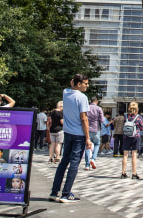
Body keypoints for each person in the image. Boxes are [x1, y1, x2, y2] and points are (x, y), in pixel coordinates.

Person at [49, 74, 92, 203]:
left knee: (63, 162)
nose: (87, 85)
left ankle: (54, 191)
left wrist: (73, 81)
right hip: (79, 134)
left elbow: (71, 83)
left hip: (67, 132)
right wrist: (88, 138)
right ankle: (66, 193)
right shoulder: (82, 97)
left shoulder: (66, 93)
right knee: (74, 163)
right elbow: (84, 118)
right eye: (85, 83)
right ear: (79, 84)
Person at [121, 102, 143, 179]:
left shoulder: (125, 116)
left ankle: (123, 173)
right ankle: (134, 173)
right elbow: (141, 127)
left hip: (126, 136)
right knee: (134, 155)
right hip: (135, 136)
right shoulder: (138, 117)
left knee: (125, 155)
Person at [84, 96, 103, 171]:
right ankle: (93, 159)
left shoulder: (86, 108)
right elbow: (102, 120)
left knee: (87, 145)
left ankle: (87, 164)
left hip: (87, 129)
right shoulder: (98, 109)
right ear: (96, 101)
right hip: (96, 129)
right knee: (97, 144)